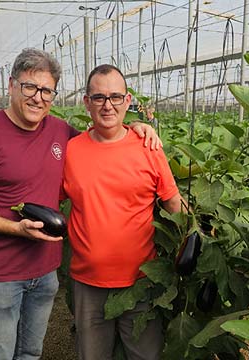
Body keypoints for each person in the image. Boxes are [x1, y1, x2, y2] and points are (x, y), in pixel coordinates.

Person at [0, 49, 160, 360]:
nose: (37, 98)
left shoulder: (60, 132)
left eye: (46, 90)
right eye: (30, 87)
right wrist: (14, 227)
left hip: (45, 272)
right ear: (12, 85)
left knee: (30, 354)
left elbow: (103, 139)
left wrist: (138, 127)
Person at [62, 64, 186, 360]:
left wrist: (202, 235)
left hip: (141, 282)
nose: (108, 105)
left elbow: (173, 203)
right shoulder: (71, 150)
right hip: (87, 283)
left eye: (116, 97)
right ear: (86, 102)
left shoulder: (148, 146)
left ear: (128, 101)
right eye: (99, 97)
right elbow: (46, 197)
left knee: (145, 356)